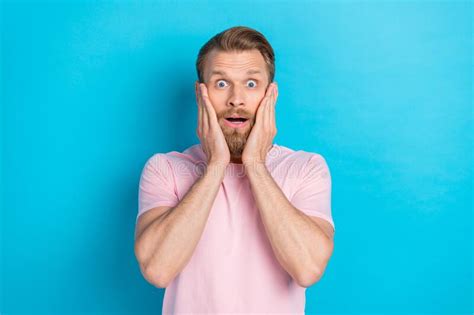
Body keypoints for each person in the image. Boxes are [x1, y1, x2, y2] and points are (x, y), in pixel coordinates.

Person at [134, 25, 335, 314]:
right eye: (221, 84)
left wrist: (255, 164)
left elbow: (308, 269)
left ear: (271, 94)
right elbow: (157, 269)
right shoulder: (165, 169)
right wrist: (216, 164)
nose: (236, 99)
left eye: (251, 84)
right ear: (199, 93)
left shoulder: (306, 168)